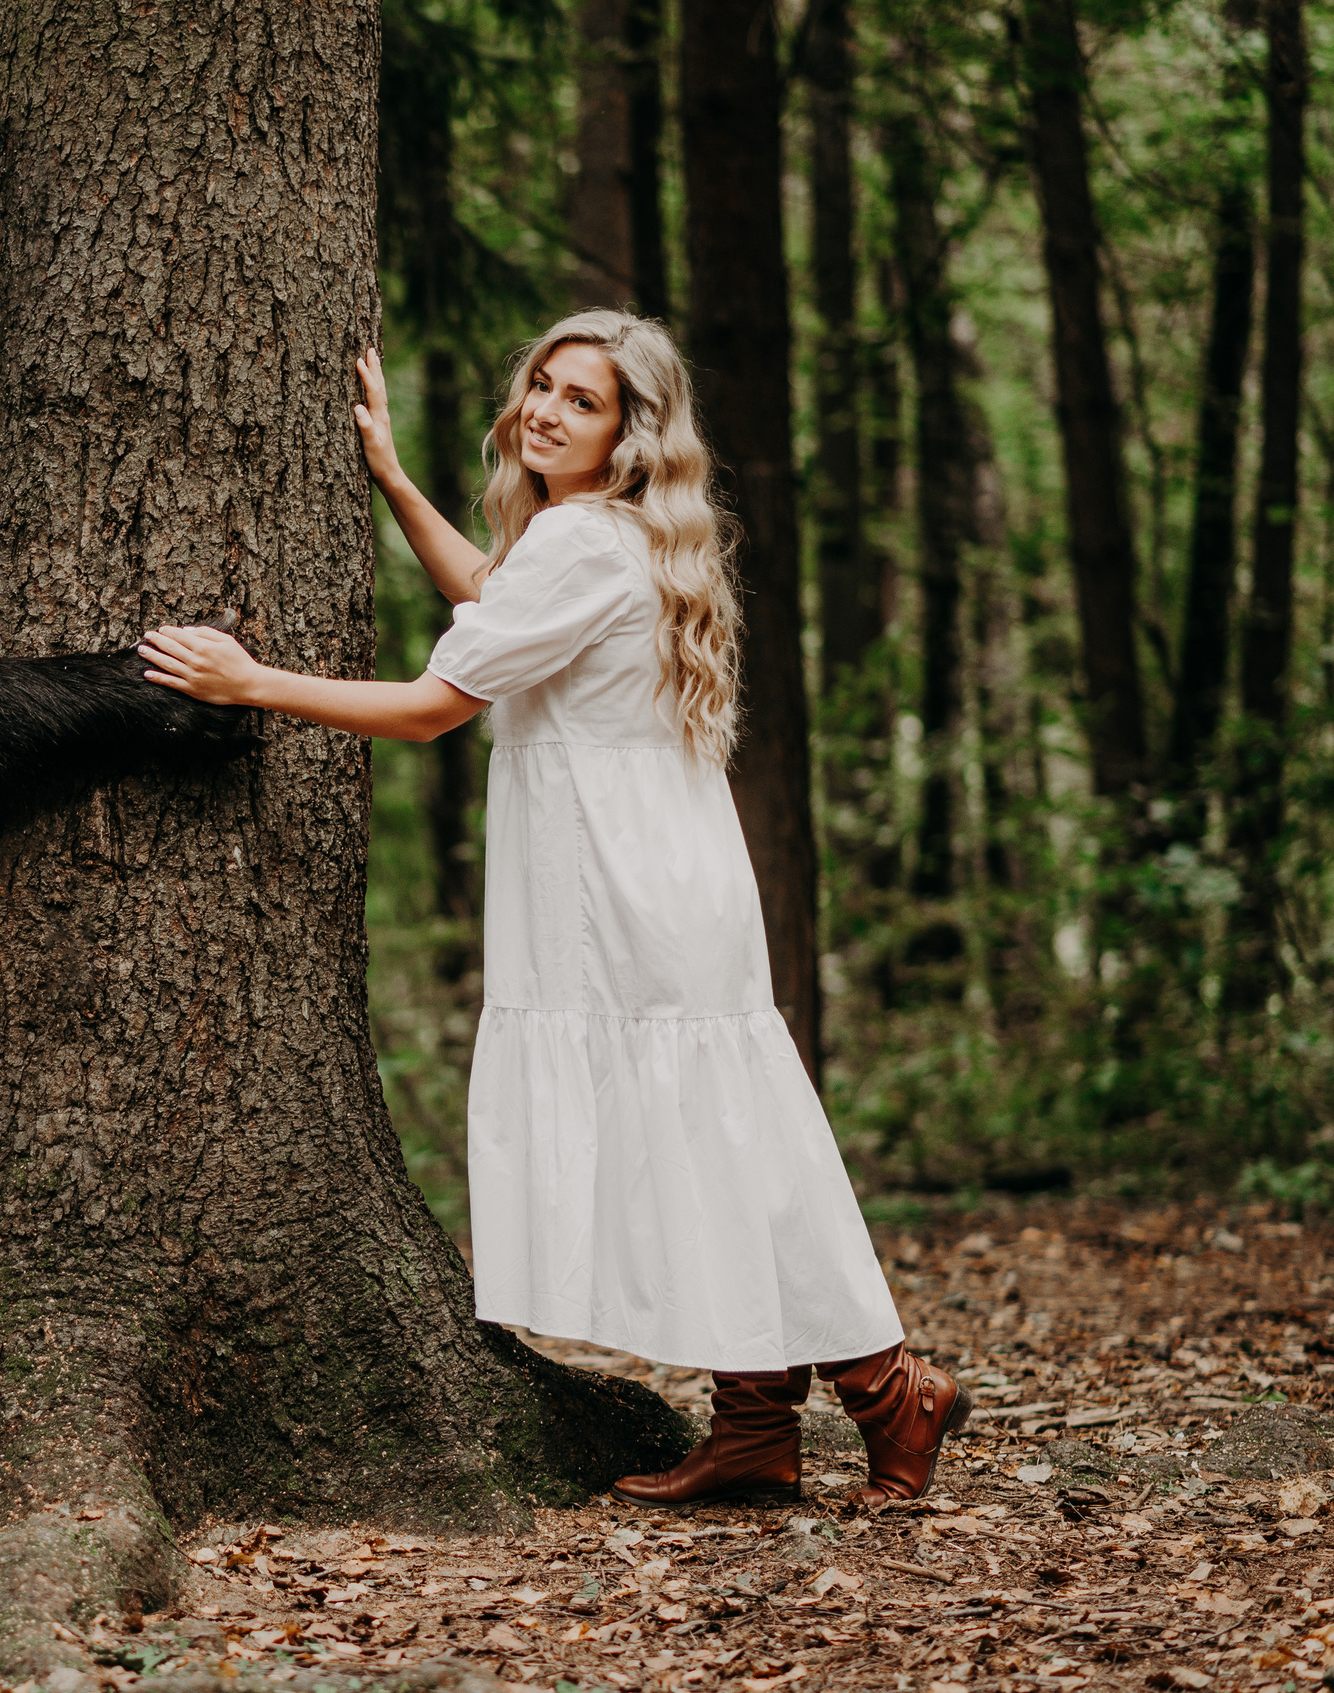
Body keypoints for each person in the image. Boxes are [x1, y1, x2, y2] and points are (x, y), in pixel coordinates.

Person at [136, 310, 967, 1509]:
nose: (545, 410)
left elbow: (436, 704)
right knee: (720, 1148)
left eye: (584, 401)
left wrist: (247, 683)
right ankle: (757, 1423)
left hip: (627, 890)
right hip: (659, 874)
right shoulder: (601, 538)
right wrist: (395, 480)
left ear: (631, 434)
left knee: (724, 1150)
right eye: (541, 383)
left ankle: (889, 1391)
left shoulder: (584, 538)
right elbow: (493, 600)